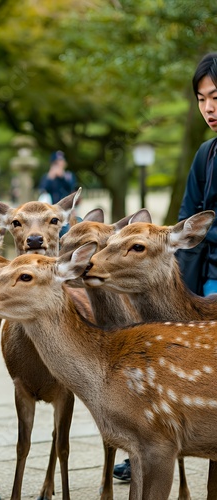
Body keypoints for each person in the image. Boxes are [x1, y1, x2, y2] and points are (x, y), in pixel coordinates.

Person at [113, 52, 217, 482]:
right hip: (204, 273)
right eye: (201, 99)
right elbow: (186, 213)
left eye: (216, 97)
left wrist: (196, 232)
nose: (209, 108)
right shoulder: (206, 154)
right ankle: (151, 440)